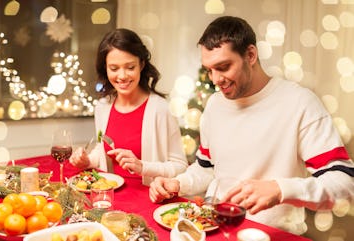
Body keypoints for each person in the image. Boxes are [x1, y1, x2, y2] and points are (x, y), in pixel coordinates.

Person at [149, 16, 354, 234]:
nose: (215, 79)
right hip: (217, 227)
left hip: (273, 233)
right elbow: (207, 167)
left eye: (223, 67)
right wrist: (179, 183)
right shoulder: (215, 105)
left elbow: (344, 182)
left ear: (251, 55)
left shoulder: (300, 102)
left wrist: (281, 189)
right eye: (209, 70)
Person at [70, 28, 188, 186]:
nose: (122, 76)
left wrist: (142, 167)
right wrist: (86, 161)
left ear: (142, 65)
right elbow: (102, 150)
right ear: (105, 68)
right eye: (114, 68)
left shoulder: (160, 109)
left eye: (130, 67)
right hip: (110, 198)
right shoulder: (102, 107)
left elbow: (180, 166)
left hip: (147, 199)